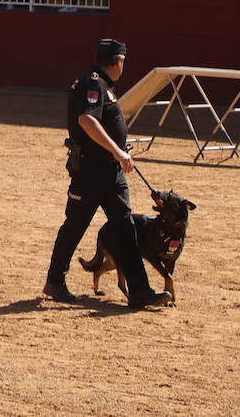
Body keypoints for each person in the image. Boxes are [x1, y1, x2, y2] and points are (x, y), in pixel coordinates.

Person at [43, 39, 172, 308]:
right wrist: (117, 151)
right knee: (75, 226)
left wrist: (118, 153)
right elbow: (86, 120)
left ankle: (139, 291)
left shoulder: (102, 85)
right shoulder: (93, 84)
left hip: (110, 172)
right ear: (119, 61)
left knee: (125, 228)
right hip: (92, 170)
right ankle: (55, 281)